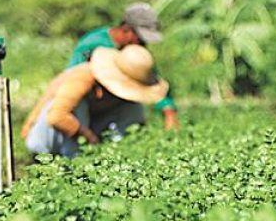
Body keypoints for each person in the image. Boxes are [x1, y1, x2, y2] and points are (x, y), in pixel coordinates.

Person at [22, 45, 168, 158]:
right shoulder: (83, 76)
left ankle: (113, 156)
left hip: (90, 133)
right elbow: (56, 117)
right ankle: (73, 163)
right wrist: (89, 138)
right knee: (79, 106)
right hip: (45, 138)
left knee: (134, 109)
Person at [68, 2, 179, 131]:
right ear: (127, 29)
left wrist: (168, 110)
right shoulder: (93, 44)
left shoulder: (135, 52)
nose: (143, 44)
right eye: (141, 38)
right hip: (84, 108)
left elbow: (151, 81)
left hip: (111, 110)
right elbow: (70, 80)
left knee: (134, 108)